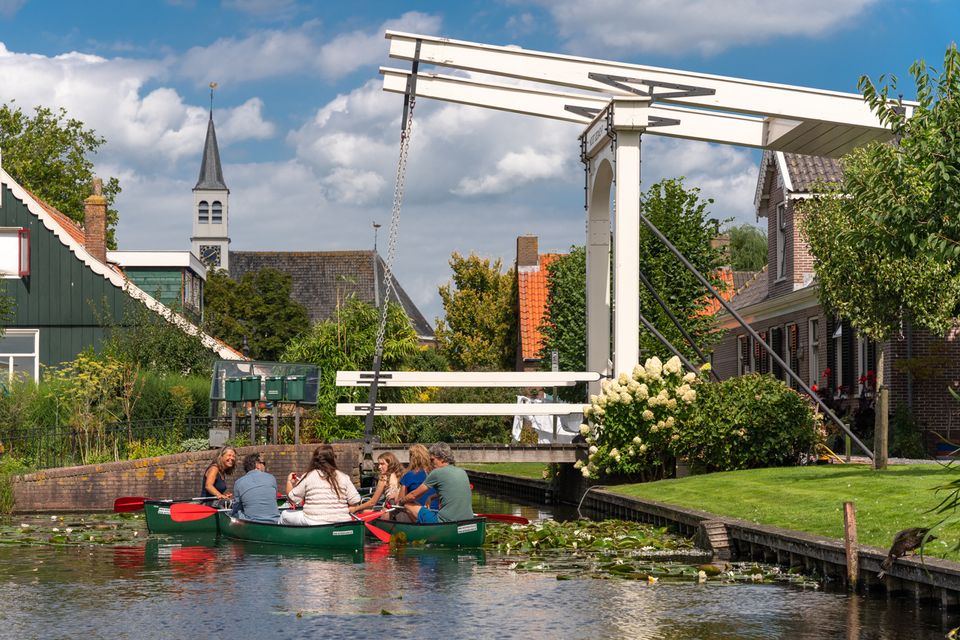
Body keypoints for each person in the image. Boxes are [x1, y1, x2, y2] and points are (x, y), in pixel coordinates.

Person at [281, 444, 361, 525]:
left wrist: (289, 482)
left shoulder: (308, 476)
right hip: (342, 520)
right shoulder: (344, 477)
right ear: (332, 459)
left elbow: (293, 499)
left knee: (284, 515)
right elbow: (355, 500)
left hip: (313, 521)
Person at [399, 442, 473, 523]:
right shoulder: (462, 471)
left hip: (444, 522)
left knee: (408, 505)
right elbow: (449, 491)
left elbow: (413, 495)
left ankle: (420, 529)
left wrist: (401, 501)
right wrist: (431, 497)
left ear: (442, 458)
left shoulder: (437, 472)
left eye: (432, 459)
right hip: (468, 519)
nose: (431, 463)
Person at [348, 452, 402, 518]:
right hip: (401, 511)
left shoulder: (384, 478)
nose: (379, 467)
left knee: (362, 511)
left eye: (382, 464)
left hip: (389, 514)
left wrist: (356, 509)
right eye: (379, 464)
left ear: (390, 464)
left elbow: (372, 502)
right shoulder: (402, 476)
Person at [231, 453, 281, 523]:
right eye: (263, 463)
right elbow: (274, 499)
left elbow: (236, 508)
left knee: (234, 513)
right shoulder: (271, 478)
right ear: (257, 465)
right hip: (274, 521)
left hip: (252, 523)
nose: (264, 466)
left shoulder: (238, 482)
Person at [393, 444, 437, 522]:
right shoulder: (435, 473)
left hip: (417, 515)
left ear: (412, 458)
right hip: (436, 513)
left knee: (395, 503)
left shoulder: (409, 475)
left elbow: (399, 501)